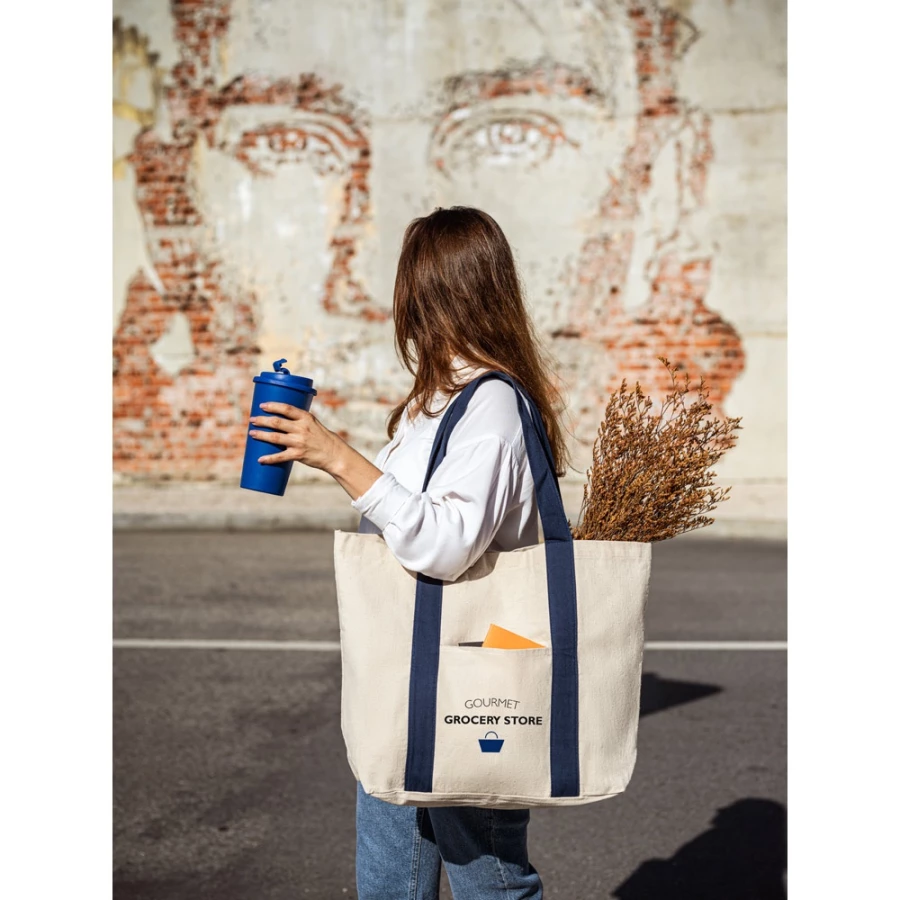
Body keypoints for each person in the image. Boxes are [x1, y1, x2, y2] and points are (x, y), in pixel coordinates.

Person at [247, 206, 568, 898]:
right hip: (406, 675)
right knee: (391, 880)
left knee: (489, 881)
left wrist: (339, 457)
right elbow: (405, 517)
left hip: (474, 675)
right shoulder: (436, 401)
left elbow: (445, 545)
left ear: (436, 291)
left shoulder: (491, 406)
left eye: (410, 282)